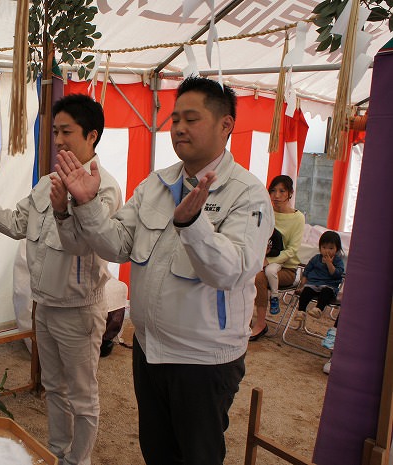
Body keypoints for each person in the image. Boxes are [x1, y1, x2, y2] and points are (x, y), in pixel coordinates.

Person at [51, 76, 273, 465]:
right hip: (150, 350)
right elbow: (117, 245)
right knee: (157, 450)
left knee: (197, 454)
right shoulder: (158, 183)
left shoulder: (247, 194)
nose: (180, 128)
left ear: (226, 125)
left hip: (203, 360)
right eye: (174, 119)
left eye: (192, 118)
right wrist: (84, 205)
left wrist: (194, 226)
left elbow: (232, 271)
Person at [0, 93, 122, 465]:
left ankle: (80, 460)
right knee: (54, 388)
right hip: (45, 306)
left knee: (83, 395)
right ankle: (57, 454)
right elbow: (15, 224)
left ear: (91, 135)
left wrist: (69, 208)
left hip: (78, 310)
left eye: (66, 131)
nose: (57, 140)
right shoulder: (47, 183)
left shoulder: (103, 188)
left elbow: (91, 242)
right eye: (54, 131)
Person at [249, 175, 305, 341]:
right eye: (273, 190)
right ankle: (241, 320)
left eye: (282, 191)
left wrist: (269, 261)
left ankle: (260, 324)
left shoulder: (298, 218)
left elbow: (293, 250)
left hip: (287, 269)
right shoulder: (265, 213)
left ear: (290, 193)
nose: (276, 195)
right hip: (260, 261)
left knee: (259, 277)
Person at [294, 230, 345, 322]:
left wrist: (329, 264)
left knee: (326, 292)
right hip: (313, 284)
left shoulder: (337, 261)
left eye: (331, 248)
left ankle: (318, 309)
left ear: (337, 249)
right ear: (320, 247)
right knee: (306, 292)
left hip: (329, 286)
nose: (327, 251)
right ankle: (301, 311)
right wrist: (302, 285)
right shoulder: (316, 258)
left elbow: (337, 274)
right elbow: (306, 271)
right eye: (324, 247)